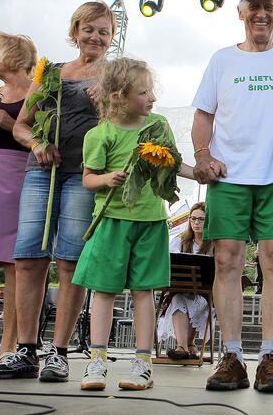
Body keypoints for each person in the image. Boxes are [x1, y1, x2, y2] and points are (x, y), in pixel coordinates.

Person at [0, 1, 116, 382]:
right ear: (75, 31)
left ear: (111, 38)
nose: (95, 36)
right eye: (88, 29)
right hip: (42, 170)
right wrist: (37, 144)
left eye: (103, 31)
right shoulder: (52, 72)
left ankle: (58, 353)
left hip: (83, 174)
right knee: (27, 256)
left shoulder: (115, 75)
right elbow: (21, 125)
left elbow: (128, 122)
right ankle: (24, 351)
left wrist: (107, 106)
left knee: (69, 260)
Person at [191, 0, 273, 394]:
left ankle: (271, 358)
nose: (261, 14)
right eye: (253, 6)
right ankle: (232, 357)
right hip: (229, 176)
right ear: (240, 12)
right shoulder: (222, 59)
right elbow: (204, 115)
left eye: (268, 7)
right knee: (227, 261)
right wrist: (203, 156)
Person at [72, 57, 193, 390]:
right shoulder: (100, 134)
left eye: (151, 91)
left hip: (150, 221)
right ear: (118, 97)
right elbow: (88, 180)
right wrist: (107, 178)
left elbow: (172, 163)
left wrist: (201, 173)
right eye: (142, 92)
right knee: (104, 292)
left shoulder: (158, 125)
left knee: (144, 292)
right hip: (111, 222)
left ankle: (142, 363)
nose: (151, 98)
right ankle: (96, 361)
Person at [0, 32, 37, 362]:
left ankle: (10, 346)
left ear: (16, 55)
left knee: (15, 264)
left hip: (19, 176)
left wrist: (8, 123)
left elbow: (44, 137)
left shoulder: (39, 92)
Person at [157, 202, 213, 360]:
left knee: (197, 303)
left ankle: (188, 345)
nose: (196, 223)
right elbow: (167, 261)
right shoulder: (180, 241)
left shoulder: (214, 243)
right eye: (193, 219)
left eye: (201, 219)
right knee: (178, 299)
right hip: (180, 289)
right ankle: (183, 346)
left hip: (205, 294)